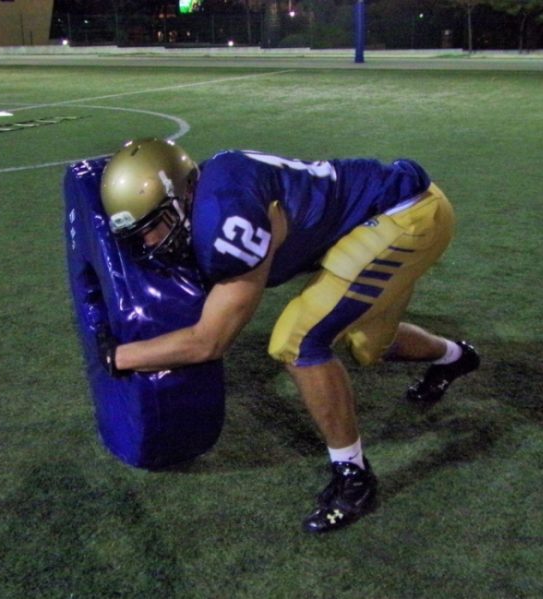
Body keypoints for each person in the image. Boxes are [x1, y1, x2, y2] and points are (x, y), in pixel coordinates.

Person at [98, 138, 480, 534]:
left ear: (181, 196)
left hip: (405, 217)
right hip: (399, 211)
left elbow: (209, 341)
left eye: (153, 226)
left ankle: (354, 475)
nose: (149, 242)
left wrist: (120, 356)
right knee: (371, 346)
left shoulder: (223, 219)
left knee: (297, 340)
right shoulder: (216, 184)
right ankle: (456, 358)